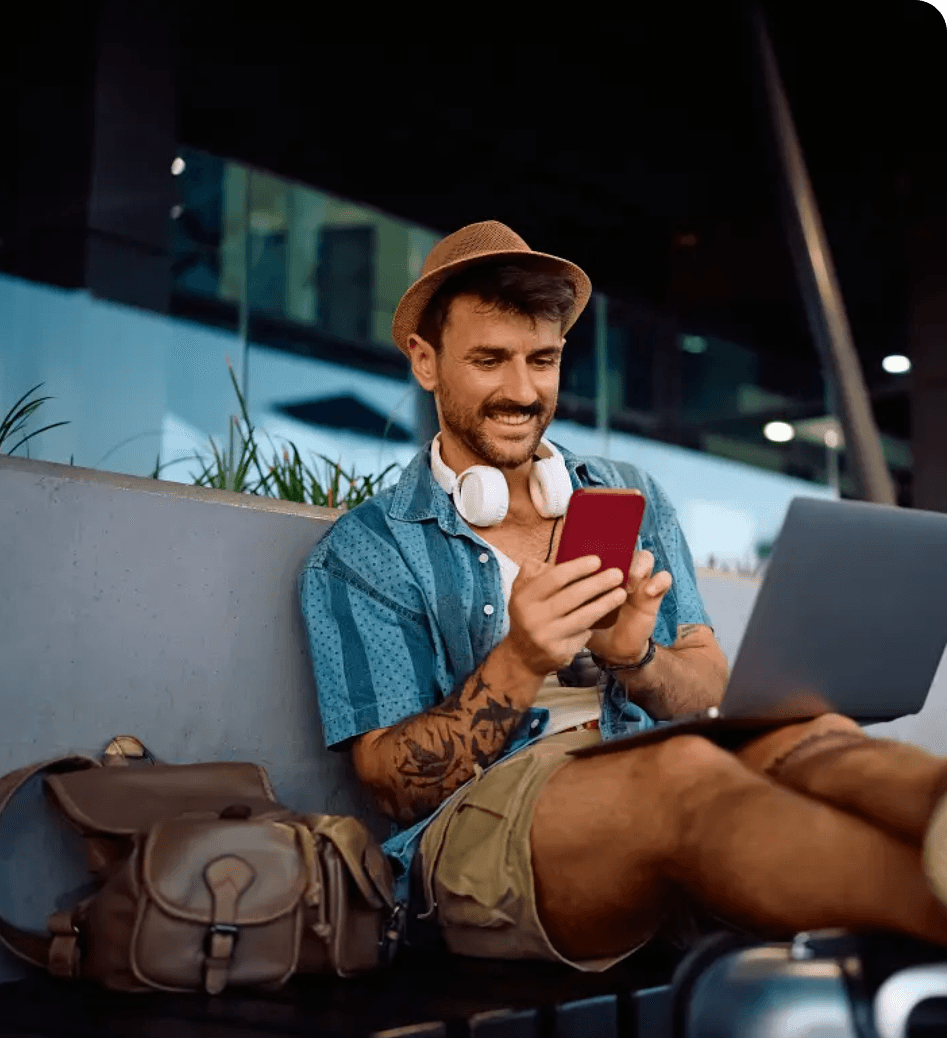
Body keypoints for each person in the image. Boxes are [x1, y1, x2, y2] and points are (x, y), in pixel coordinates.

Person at [299, 220, 947, 970]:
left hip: (652, 768)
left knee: (814, 737)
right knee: (684, 774)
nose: (522, 391)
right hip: (482, 836)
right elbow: (391, 787)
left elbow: (708, 686)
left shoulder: (626, 495)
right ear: (425, 360)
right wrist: (521, 660)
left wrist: (636, 659)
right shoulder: (367, 550)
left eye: (542, 361)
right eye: (489, 360)